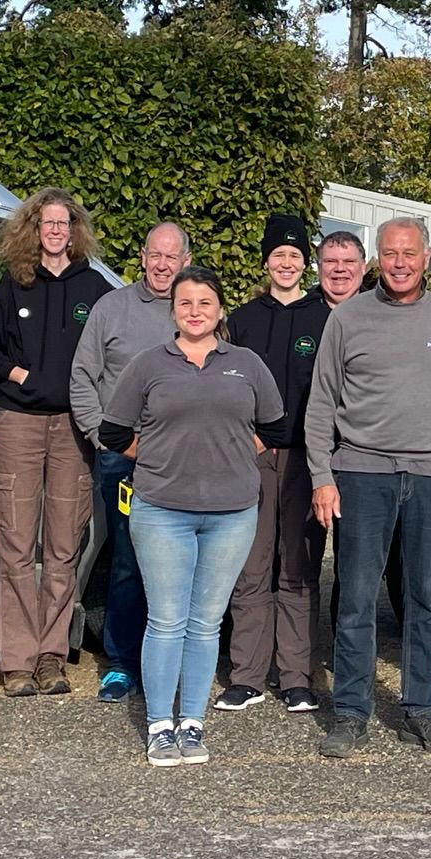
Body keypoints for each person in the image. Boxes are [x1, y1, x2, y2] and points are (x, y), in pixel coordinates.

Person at [306, 217, 431, 759]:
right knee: (356, 596)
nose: (400, 263)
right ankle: (352, 712)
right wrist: (321, 478)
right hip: (362, 472)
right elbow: (320, 403)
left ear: (426, 257)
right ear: (378, 258)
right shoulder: (349, 317)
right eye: (390, 253)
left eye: (409, 253)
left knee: (425, 598)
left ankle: (420, 708)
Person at [99, 266, 283, 766]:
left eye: (205, 302)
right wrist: (156, 454)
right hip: (161, 509)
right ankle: (161, 724)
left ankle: (194, 723)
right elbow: (112, 434)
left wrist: (239, 454)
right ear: (173, 310)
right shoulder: (147, 365)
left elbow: (276, 427)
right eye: (186, 303)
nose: (195, 311)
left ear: (220, 310)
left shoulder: (246, 364)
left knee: (204, 625)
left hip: (232, 513)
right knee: (166, 620)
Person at [0, 189, 109, 697]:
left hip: (73, 430)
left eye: (64, 223)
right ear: (33, 229)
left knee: (62, 548)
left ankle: (52, 656)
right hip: (19, 424)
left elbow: (113, 355)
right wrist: (21, 374)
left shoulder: (95, 289)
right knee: (14, 544)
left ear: (74, 230)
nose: (56, 231)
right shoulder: (13, 285)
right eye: (47, 223)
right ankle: (16, 661)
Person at [69, 222, 191, 702]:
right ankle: (121, 663)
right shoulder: (111, 308)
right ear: (143, 257)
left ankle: (168, 662)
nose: (162, 265)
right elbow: (82, 376)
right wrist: (103, 437)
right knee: (126, 561)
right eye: (155, 255)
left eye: (172, 257)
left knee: (179, 563)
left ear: (185, 260)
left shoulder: (195, 310)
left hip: (180, 461)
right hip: (123, 461)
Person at [220, 213, 332, 714]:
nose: (286, 263)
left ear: (304, 263)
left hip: (309, 457)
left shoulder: (325, 317)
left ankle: (296, 676)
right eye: (277, 256)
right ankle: (246, 675)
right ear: (266, 261)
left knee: (300, 567)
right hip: (254, 455)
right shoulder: (242, 319)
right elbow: (228, 386)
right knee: (252, 566)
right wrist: (246, 438)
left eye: (294, 256)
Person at [315, 230, 367, 310]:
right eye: (331, 261)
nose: (340, 268)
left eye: (349, 261)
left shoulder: (384, 314)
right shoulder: (294, 314)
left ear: (363, 267)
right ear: (319, 267)